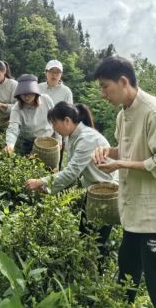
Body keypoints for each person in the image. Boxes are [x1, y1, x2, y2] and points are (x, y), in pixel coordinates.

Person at [91, 56, 156, 308]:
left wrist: (121, 164)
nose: (103, 94)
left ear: (123, 81)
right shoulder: (122, 115)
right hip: (135, 213)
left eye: (106, 87)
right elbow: (128, 150)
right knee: (126, 277)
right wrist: (107, 152)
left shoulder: (155, 112)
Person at [25, 101, 117, 259]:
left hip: (105, 194)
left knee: (95, 243)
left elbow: (71, 172)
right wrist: (49, 189)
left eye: (55, 123)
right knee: (86, 237)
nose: (54, 128)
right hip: (94, 193)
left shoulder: (87, 139)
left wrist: (41, 181)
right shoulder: (74, 137)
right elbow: (72, 174)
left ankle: (97, 277)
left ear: (67, 120)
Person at [4, 74, 60, 155]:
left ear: (35, 93)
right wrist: (10, 145)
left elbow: (56, 120)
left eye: (30, 94)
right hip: (28, 143)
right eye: (23, 94)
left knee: (50, 167)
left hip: (48, 142)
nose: (26, 97)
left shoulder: (46, 100)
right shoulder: (17, 108)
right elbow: (13, 129)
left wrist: (59, 140)